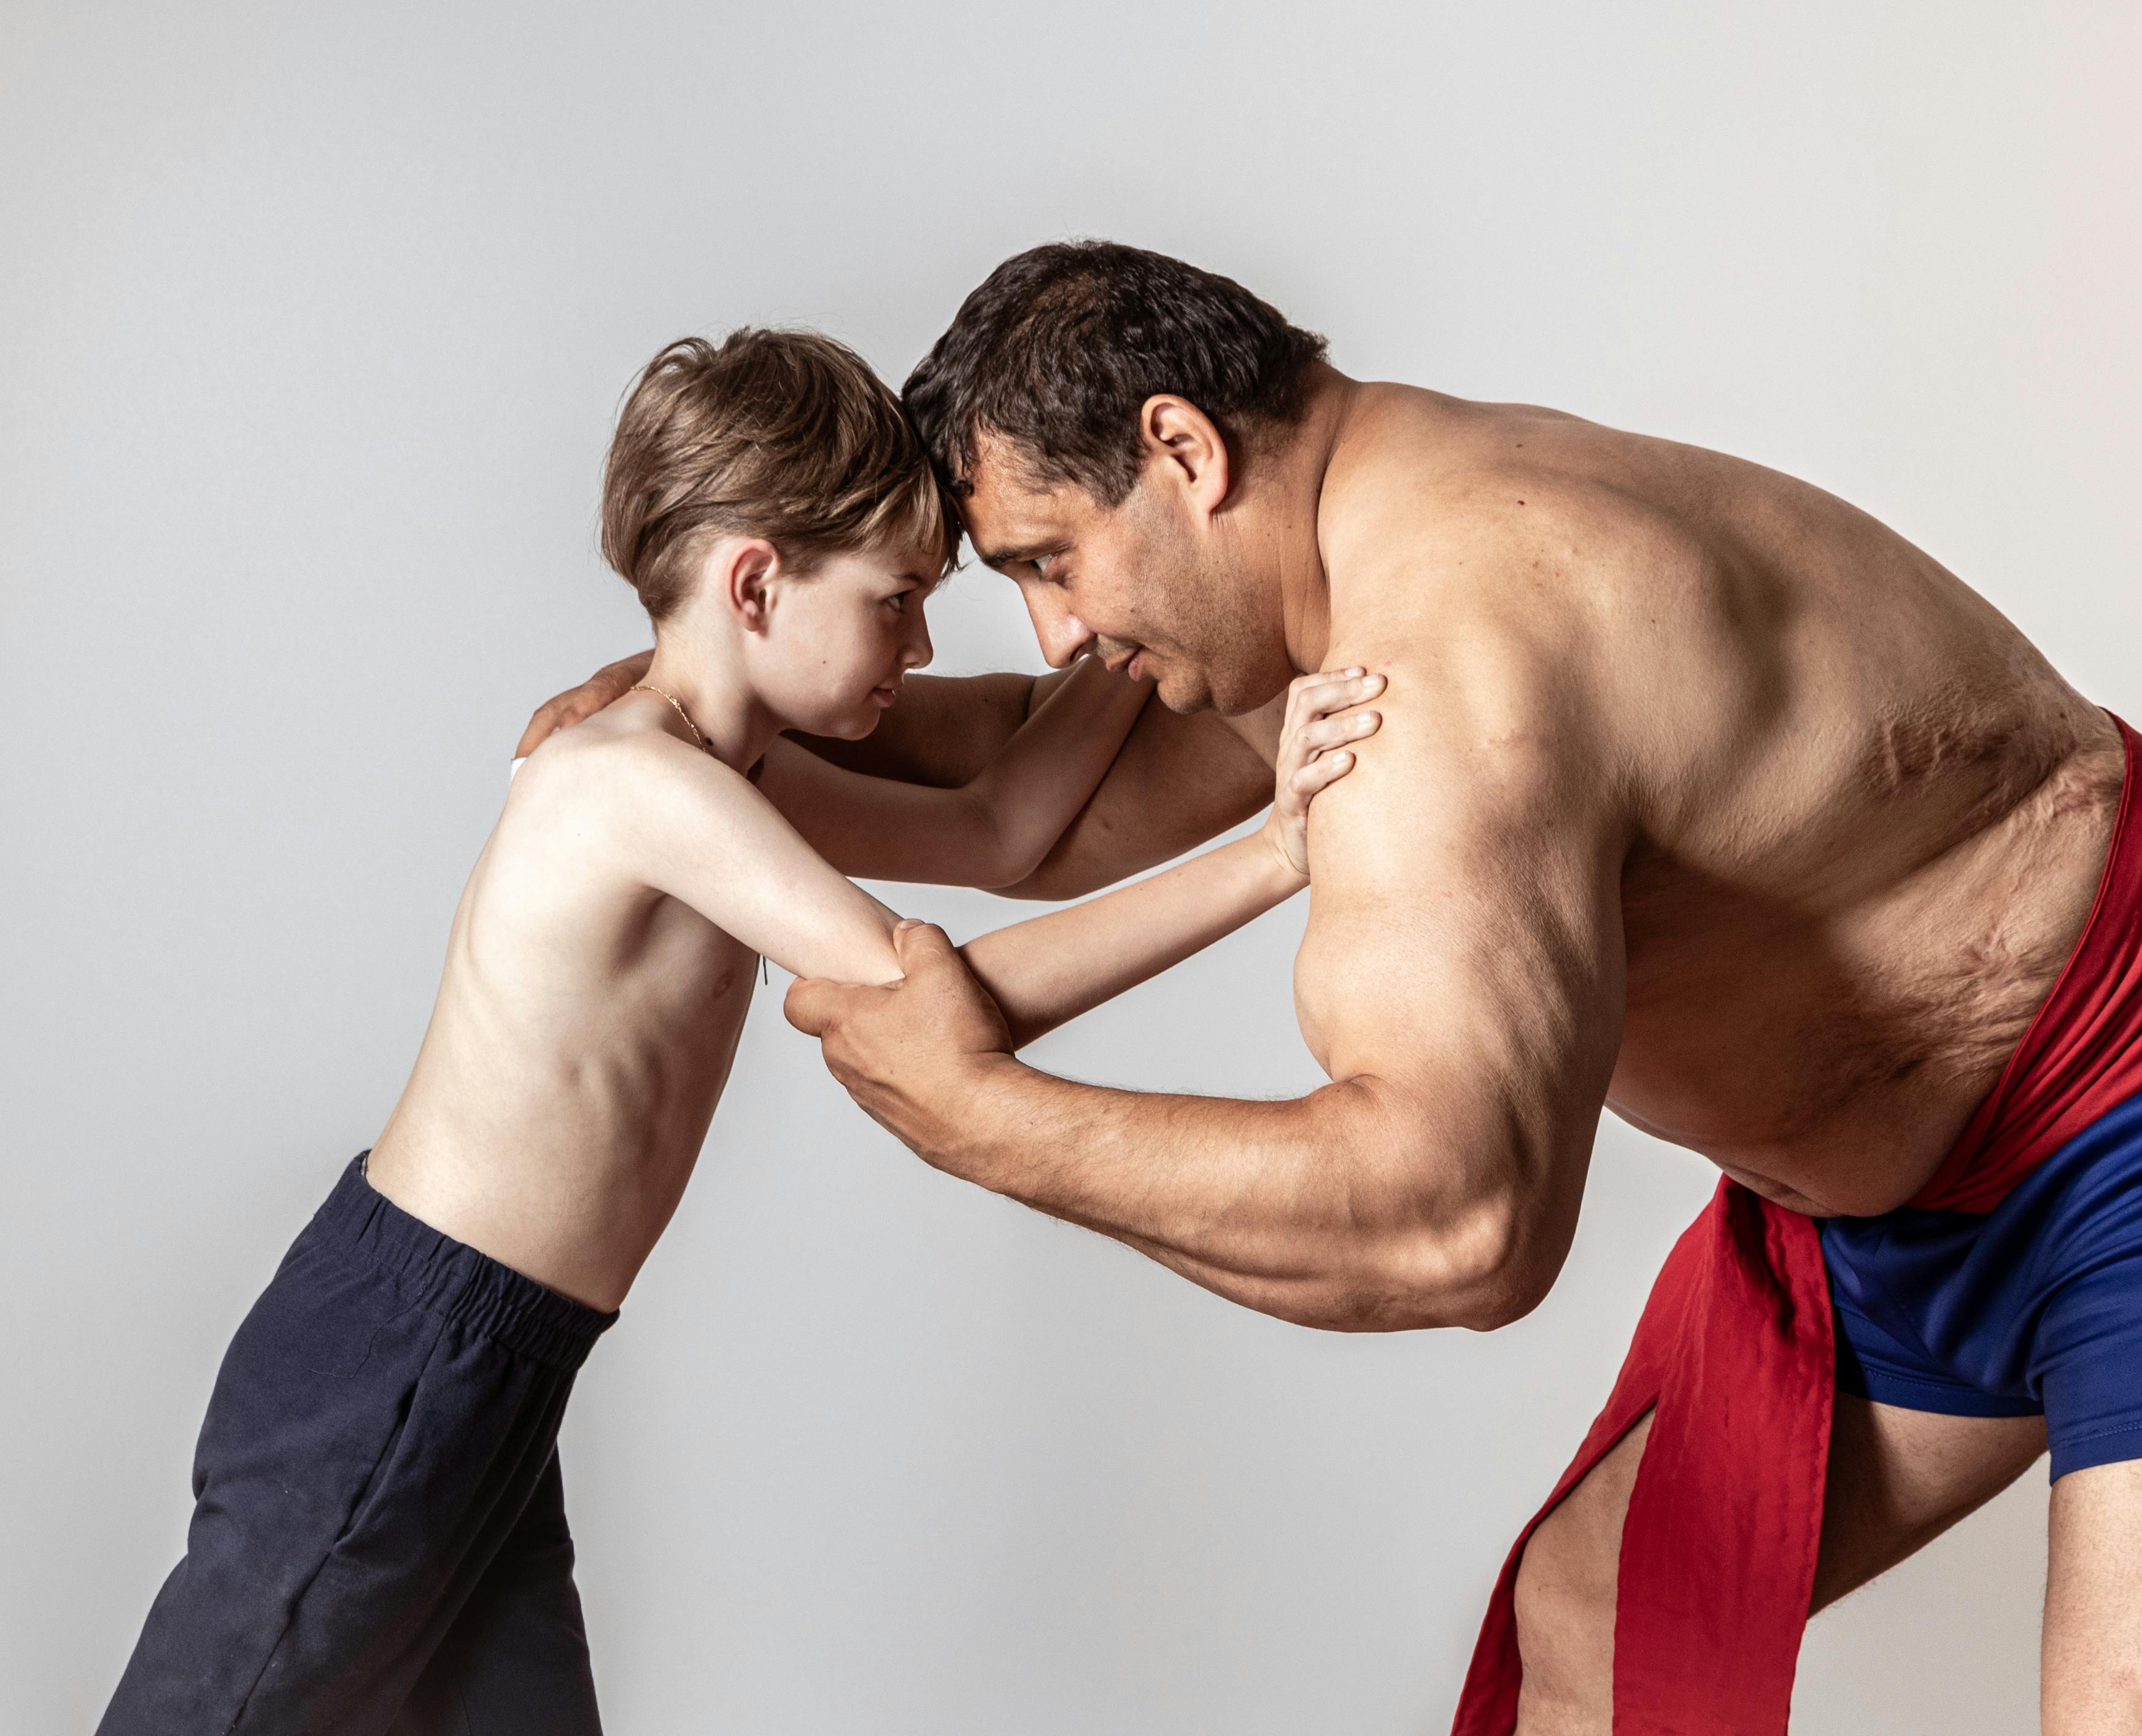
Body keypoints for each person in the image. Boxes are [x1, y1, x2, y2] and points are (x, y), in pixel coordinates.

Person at [533, 245, 2142, 1735]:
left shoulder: (1457, 653)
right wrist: (698, 732)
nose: (1057, 636)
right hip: (1897, 1195)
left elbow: (1457, 1221)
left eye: (1050, 561)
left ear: (1181, 456)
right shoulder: (1331, 556)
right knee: (1592, 1633)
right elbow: (1046, 788)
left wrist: (984, 1118)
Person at [102, 326, 1376, 1736]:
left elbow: (1003, 826)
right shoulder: (629, 788)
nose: (925, 641)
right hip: (397, 1351)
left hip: (503, 1366)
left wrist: (1125, 613)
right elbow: (934, 1009)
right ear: (756, 583)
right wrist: (1274, 856)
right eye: (897, 601)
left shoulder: (728, 772)